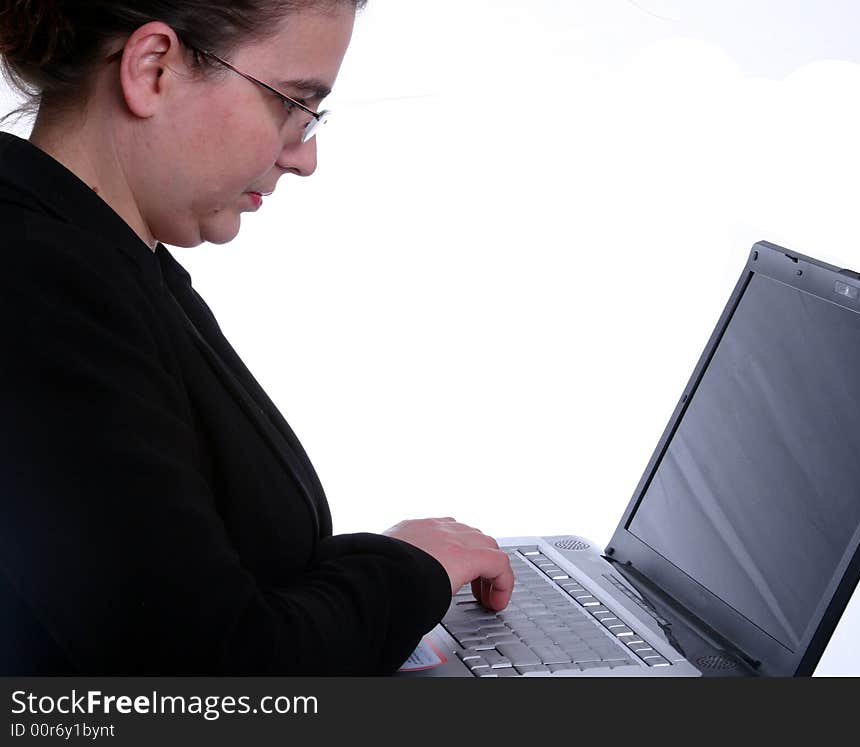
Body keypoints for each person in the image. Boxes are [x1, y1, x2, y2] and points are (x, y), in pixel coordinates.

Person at [0, 0, 514, 675]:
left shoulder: (110, 264)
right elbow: (215, 675)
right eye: (291, 104)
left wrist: (391, 564)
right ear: (153, 69)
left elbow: (184, 586)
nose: (304, 156)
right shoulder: (39, 286)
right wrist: (406, 572)